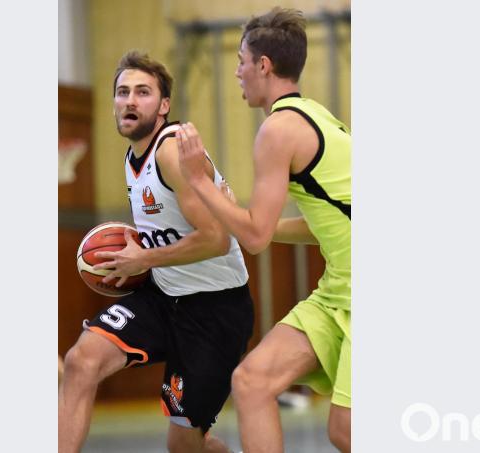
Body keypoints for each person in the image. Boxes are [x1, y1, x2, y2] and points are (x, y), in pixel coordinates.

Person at [58, 50, 254, 453]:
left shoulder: (171, 152)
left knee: (185, 447)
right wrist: (138, 250)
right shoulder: (133, 156)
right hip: (164, 296)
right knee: (81, 362)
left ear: (164, 106)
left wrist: (142, 259)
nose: (129, 100)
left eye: (143, 92)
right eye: (122, 91)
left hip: (214, 311)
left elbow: (216, 238)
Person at [176, 7, 352, 453]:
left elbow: (252, 237)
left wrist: (199, 182)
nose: (237, 72)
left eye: (240, 61)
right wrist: (251, 223)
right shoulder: (315, 115)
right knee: (252, 381)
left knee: (346, 432)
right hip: (340, 290)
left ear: (264, 66)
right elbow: (317, 227)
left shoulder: (278, 129)